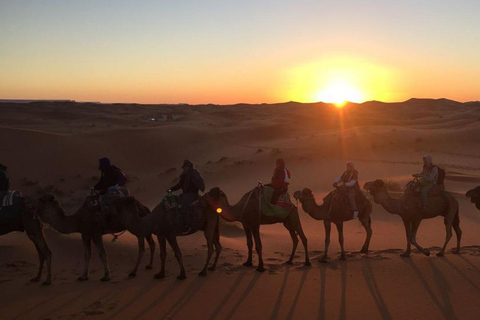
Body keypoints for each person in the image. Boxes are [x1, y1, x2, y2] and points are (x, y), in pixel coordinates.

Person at [168, 160, 205, 234]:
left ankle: (188, 225)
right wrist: (171, 189)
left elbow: (199, 183)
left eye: (185, 167)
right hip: (185, 194)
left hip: (192, 195)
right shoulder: (184, 175)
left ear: (188, 166)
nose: (184, 168)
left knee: (184, 206)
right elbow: (179, 185)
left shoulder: (193, 174)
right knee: (175, 203)